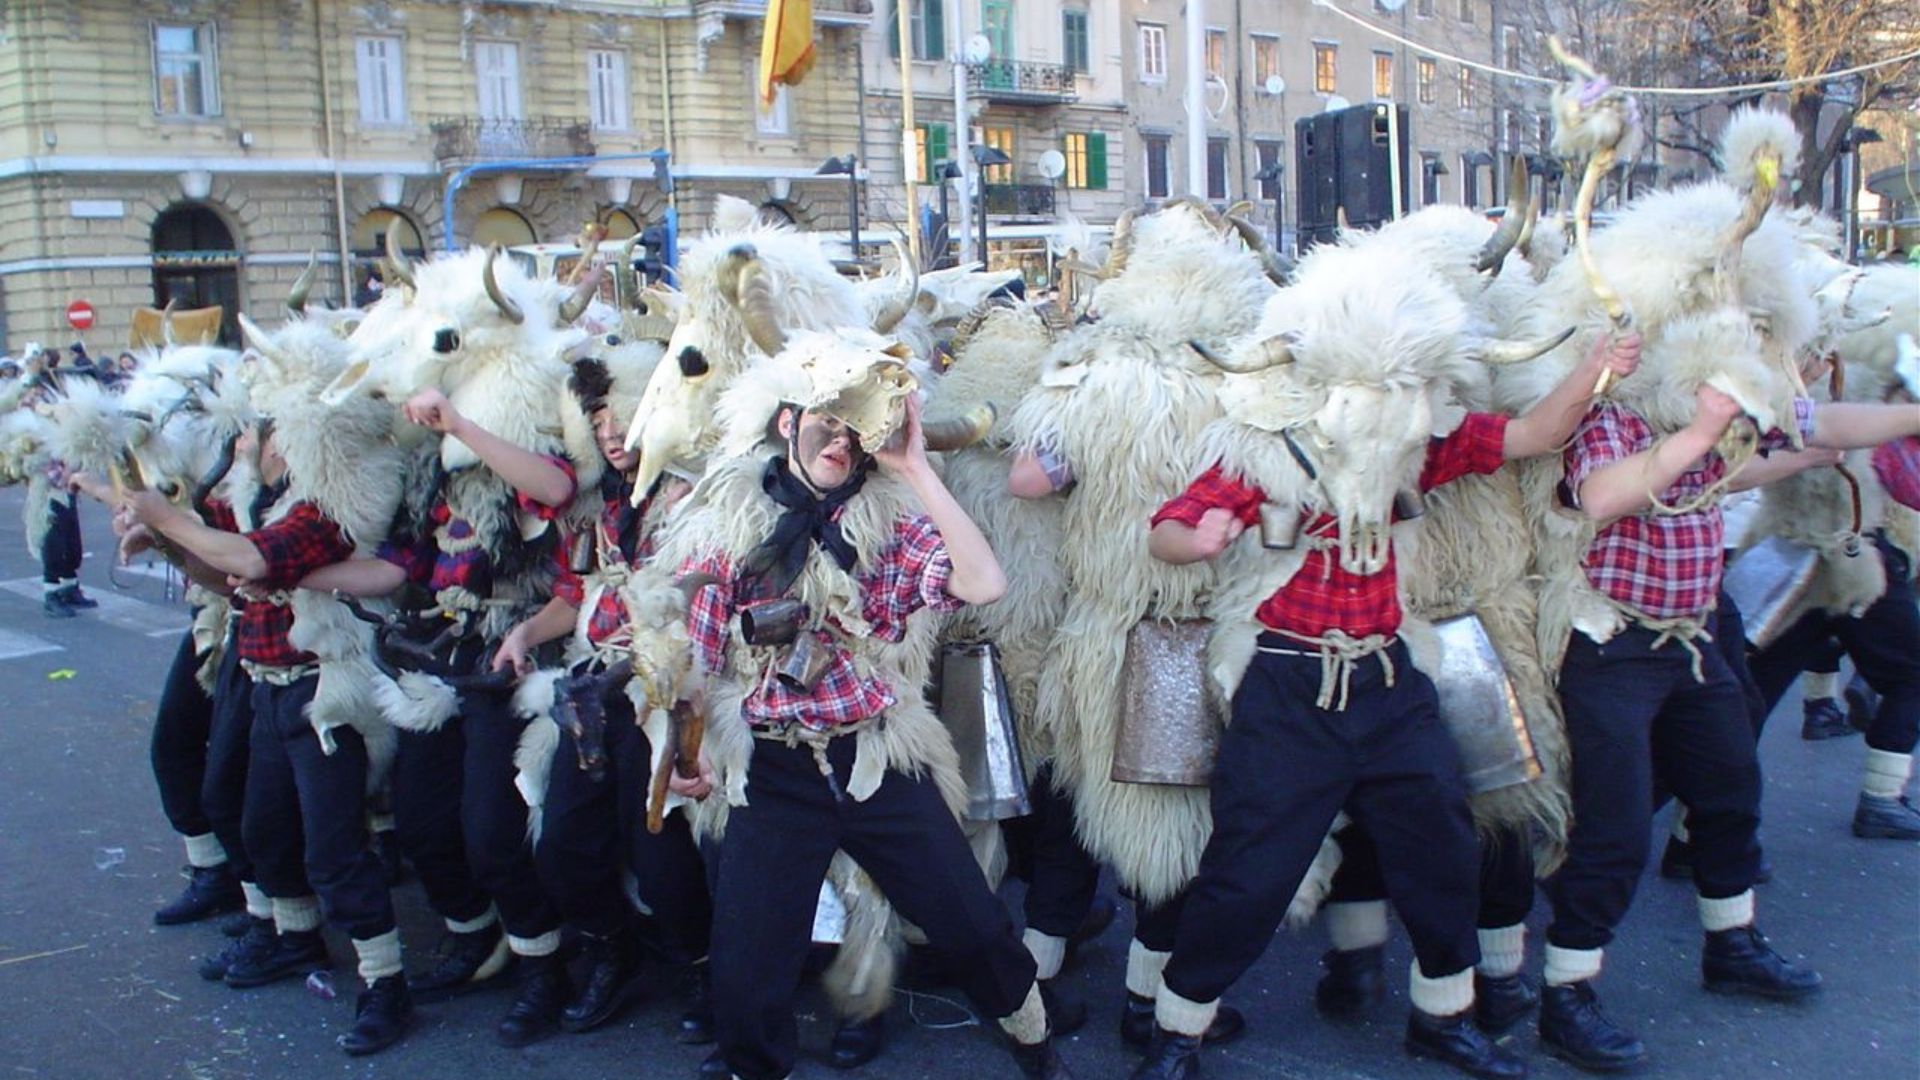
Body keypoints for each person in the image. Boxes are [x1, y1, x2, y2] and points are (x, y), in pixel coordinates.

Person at [1129, 324, 1640, 1080]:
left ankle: (1443, 1018)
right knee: (1248, 872)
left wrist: (1595, 368)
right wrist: (1194, 539)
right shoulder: (1266, 449)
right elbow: (1168, 528)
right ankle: (1177, 1034)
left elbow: (1536, 433)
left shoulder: (1417, 445)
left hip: (1391, 681)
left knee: (1443, 851)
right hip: (1288, 687)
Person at [666, 333, 1076, 1080]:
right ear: (788, 421)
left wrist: (914, 465)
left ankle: (1034, 1044)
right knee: (747, 959)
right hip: (773, 766)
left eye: (859, 427)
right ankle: (752, 1067)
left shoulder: (885, 526)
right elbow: (690, 660)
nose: (843, 439)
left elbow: (983, 583)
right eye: (828, 419)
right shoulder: (726, 524)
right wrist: (685, 758)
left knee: (972, 921)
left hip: (877, 756)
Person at [1539, 384, 1920, 1072]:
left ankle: (1731, 944)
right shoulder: (1612, 410)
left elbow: (1818, 421)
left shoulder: (1714, 401)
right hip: (1610, 642)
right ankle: (1566, 993)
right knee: (1616, 825)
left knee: (1730, 790)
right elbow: (1600, 494)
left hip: (1692, 635)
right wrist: (1706, 430)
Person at [491, 356, 716, 1042]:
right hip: (592, 687)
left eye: (624, 413)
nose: (613, 431)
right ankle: (609, 948)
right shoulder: (594, 503)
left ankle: (704, 969)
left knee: (663, 856)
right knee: (561, 843)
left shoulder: (697, 496)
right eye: (599, 419)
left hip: (667, 692)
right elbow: (575, 594)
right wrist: (525, 632)